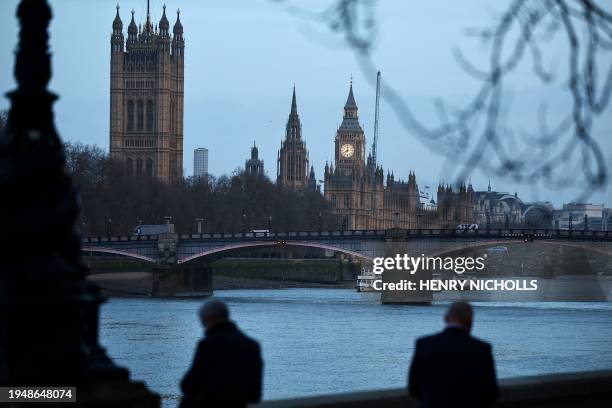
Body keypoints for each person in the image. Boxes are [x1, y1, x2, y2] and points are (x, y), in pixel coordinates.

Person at [408, 301, 498, 408]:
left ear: (445, 318)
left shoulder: (424, 344)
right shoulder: (482, 349)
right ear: (470, 321)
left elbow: (413, 389)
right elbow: (491, 393)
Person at [180, 300, 263, 408]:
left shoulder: (208, 344)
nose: (203, 325)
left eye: (203, 321)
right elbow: (255, 392)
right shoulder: (252, 345)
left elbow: (189, 385)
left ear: (210, 319)